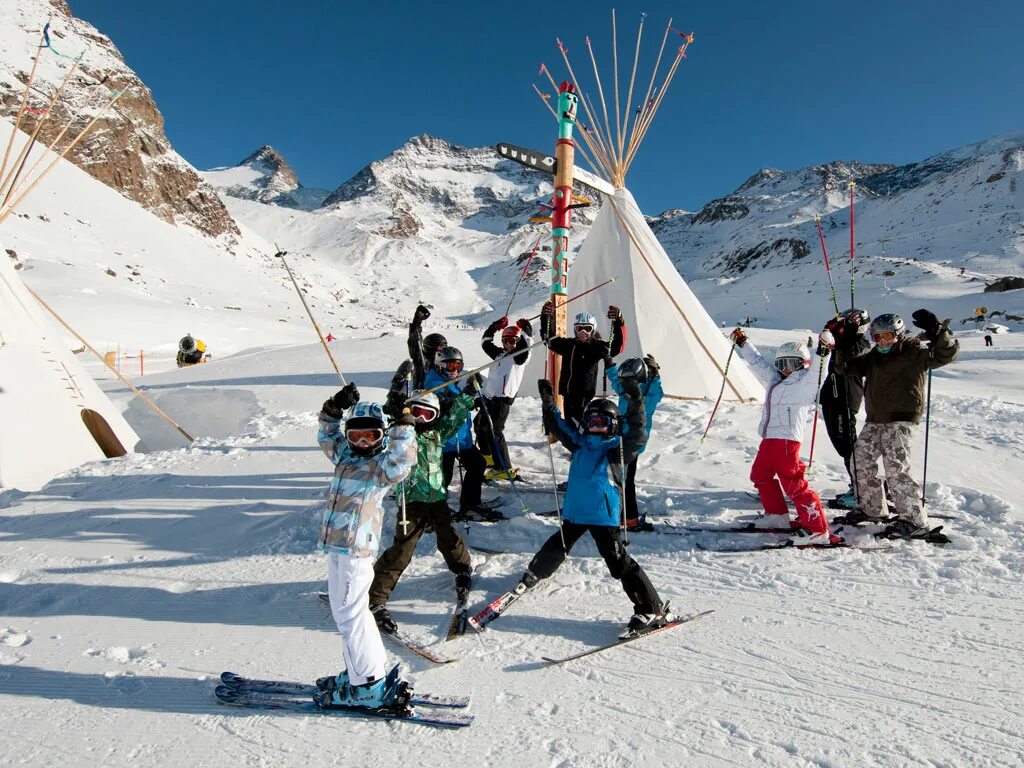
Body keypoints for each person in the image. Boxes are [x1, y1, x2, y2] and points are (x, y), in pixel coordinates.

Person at [501, 379, 672, 637]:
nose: (595, 427)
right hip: (575, 512)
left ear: (613, 426)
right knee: (557, 545)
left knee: (619, 562)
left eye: (602, 423)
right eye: (591, 422)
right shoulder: (580, 442)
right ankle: (535, 573)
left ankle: (651, 608)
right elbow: (557, 425)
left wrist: (636, 400)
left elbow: (638, 431)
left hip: (603, 517)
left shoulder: (618, 448)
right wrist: (548, 402)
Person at [311, 383, 418, 709]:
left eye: (370, 436)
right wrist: (334, 406)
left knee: (350, 614)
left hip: (356, 549)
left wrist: (403, 422)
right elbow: (326, 435)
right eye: (355, 435)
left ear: (381, 437)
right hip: (336, 548)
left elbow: (404, 458)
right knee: (346, 612)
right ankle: (366, 672)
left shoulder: (382, 468)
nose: (361, 442)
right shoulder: (344, 457)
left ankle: (367, 685)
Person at [832, 310, 958, 538]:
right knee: (859, 460)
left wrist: (938, 332)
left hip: (901, 418)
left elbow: (945, 354)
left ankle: (914, 521)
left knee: (896, 469)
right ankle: (872, 509)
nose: (881, 342)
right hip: (875, 419)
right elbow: (845, 369)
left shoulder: (913, 351)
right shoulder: (873, 357)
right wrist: (844, 344)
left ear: (898, 334)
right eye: (877, 337)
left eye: (887, 337)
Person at [368, 386, 477, 634]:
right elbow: (393, 415)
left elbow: (455, 416)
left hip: (436, 498)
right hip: (411, 502)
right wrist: (396, 399)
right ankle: (375, 596)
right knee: (403, 548)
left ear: (435, 416)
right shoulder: (403, 435)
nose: (420, 420)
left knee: (447, 534)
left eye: (427, 415)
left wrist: (466, 396)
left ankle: (461, 567)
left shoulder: (438, 434)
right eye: (416, 413)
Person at [730, 328, 838, 546]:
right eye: (781, 364)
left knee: (794, 485)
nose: (785, 369)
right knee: (759, 475)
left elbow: (820, 372)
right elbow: (758, 363)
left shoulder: (804, 384)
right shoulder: (776, 379)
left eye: (790, 364)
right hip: (769, 439)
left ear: (802, 365)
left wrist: (823, 350)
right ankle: (777, 516)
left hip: (787, 442)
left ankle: (818, 528)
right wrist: (743, 343)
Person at [424, 348, 496, 521]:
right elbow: (448, 405)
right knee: (442, 477)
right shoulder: (434, 384)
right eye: (450, 366)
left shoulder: (448, 380)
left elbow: (459, 401)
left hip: (461, 439)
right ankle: (430, 512)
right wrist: (466, 394)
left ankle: (470, 504)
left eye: (458, 365)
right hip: (445, 441)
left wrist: (475, 400)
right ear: (440, 366)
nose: (455, 370)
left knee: (477, 464)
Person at [540, 303, 627, 427]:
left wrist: (618, 321)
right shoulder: (569, 345)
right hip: (567, 394)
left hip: (584, 398)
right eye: (579, 328)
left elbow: (618, 346)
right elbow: (549, 340)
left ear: (593, 329)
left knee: (582, 427)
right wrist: (546, 318)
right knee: (570, 428)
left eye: (587, 328)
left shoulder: (596, 347)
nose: (583, 332)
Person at [819, 308, 872, 509]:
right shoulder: (842, 341)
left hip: (845, 399)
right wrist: (831, 328)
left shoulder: (862, 344)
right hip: (831, 397)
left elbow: (849, 360)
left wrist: (847, 336)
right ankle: (861, 485)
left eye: (847, 323)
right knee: (842, 444)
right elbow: (825, 347)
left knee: (848, 446)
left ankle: (861, 489)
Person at [606, 354, 663, 532]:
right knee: (621, 478)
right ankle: (616, 510)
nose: (623, 383)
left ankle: (629, 517)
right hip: (619, 439)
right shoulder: (626, 387)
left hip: (632, 442)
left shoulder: (647, 395)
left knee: (626, 480)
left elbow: (656, 393)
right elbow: (616, 381)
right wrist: (610, 367)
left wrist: (655, 377)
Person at [476, 315, 533, 481]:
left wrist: (526, 330)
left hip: (503, 400)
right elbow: (485, 343)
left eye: (513, 341)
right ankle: (488, 459)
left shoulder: (519, 357)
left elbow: (527, 345)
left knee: (495, 431)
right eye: (506, 341)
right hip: (491, 397)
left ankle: (504, 467)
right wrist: (495, 326)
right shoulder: (499, 355)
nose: (509, 344)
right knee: (480, 425)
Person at [407, 304, 447, 389]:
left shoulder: (443, 362)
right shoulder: (421, 359)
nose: (443, 349)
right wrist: (417, 321)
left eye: (445, 346)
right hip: (422, 396)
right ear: (431, 346)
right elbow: (415, 341)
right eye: (441, 346)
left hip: (441, 396)